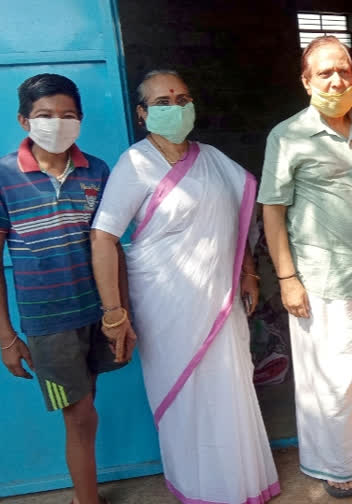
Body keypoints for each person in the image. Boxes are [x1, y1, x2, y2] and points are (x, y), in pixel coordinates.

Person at [89, 70, 280, 504]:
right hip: (165, 307)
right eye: (162, 101)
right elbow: (103, 237)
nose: (174, 107)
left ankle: (241, 483)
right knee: (185, 396)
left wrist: (248, 269)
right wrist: (114, 312)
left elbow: (237, 215)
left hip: (221, 300)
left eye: (181, 98)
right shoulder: (135, 163)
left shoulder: (211, 157)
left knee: (230, 385)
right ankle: (200, 488)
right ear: (142, 114)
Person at [258, 36, 352, 499]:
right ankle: (337, 461)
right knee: (332, 376)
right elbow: (273, 210)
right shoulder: (287, 136)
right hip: (321, 280)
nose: (336, 79)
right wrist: (286, 278)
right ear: (306, 81)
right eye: (324, 72)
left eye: (343, 70)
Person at [0, 74, 125, 504]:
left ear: (80, 120)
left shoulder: (98, 171)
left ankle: (82, 497)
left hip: (96, 315)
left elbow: (111, 247)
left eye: (68, 115)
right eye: (44, 115)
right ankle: (85, 500)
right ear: (23, 121)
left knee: (87, 408)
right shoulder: (4, 177)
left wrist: (119, 314)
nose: (57, 123)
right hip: (48, 329)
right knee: (78, 414)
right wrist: (6, 338)